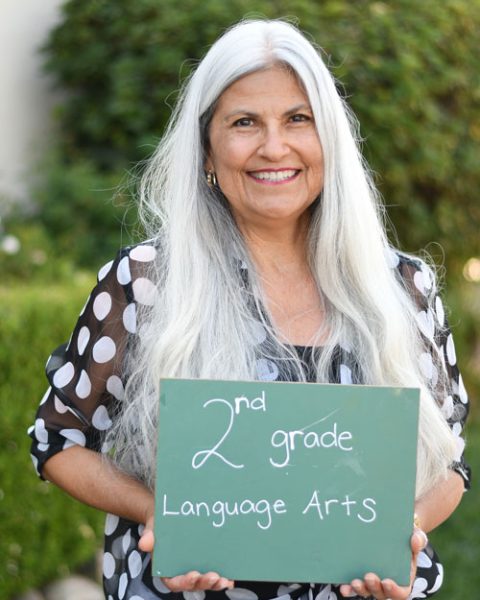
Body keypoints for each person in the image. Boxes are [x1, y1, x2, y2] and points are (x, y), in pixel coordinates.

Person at [29, 19, 470, 600]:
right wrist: (162, 512)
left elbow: (450, 463)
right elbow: (58, 441)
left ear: (330, 140)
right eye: (244, 123)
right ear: (206, 150)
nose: (274, 147)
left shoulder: (402, 288)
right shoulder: (145, 284)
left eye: (298, 118)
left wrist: (400, 533)